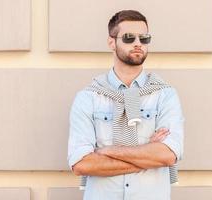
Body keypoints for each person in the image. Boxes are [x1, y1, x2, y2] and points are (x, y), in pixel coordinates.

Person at [67, 10, 184, 200]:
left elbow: (168, 155)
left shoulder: (164, 95)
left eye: (144, 38)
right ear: (111, 42)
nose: (138, 43)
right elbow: (82, 164)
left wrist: (108, 151)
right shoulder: (88, 97)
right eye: (129, 38)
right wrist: (148, 153)